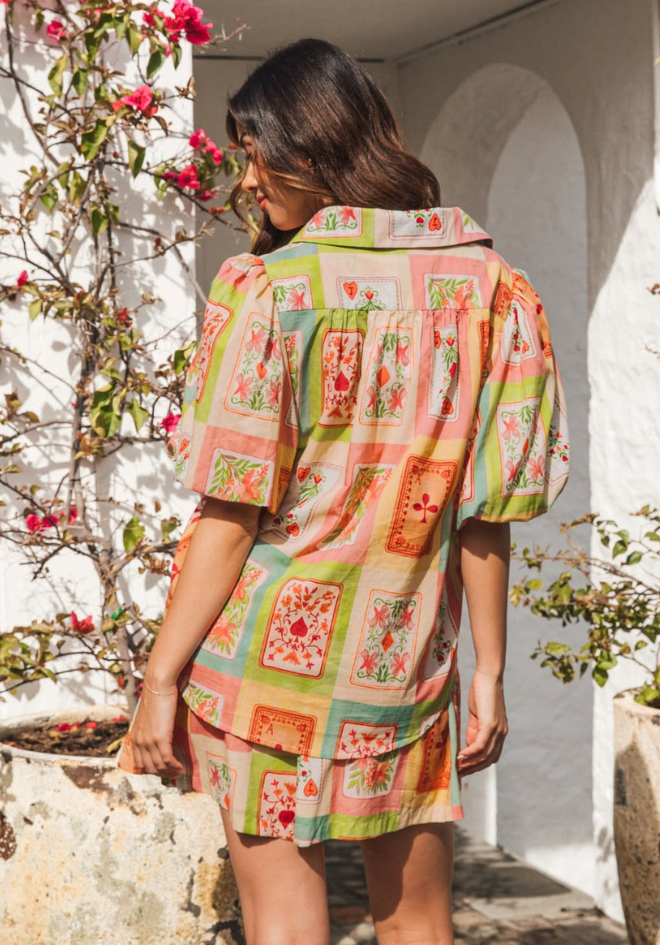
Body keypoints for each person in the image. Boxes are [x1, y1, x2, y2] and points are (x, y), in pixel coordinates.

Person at [116, 37, 570, 945]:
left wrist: (159, 677)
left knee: (286, 926)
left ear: (314, 150)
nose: (247, 181)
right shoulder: (490, 289)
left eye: (255, 154)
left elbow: (233, 509)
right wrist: (487, 672)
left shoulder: (272, 292)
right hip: (405, 668)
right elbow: (486, 510)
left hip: (259, 678)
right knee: (419, 926)